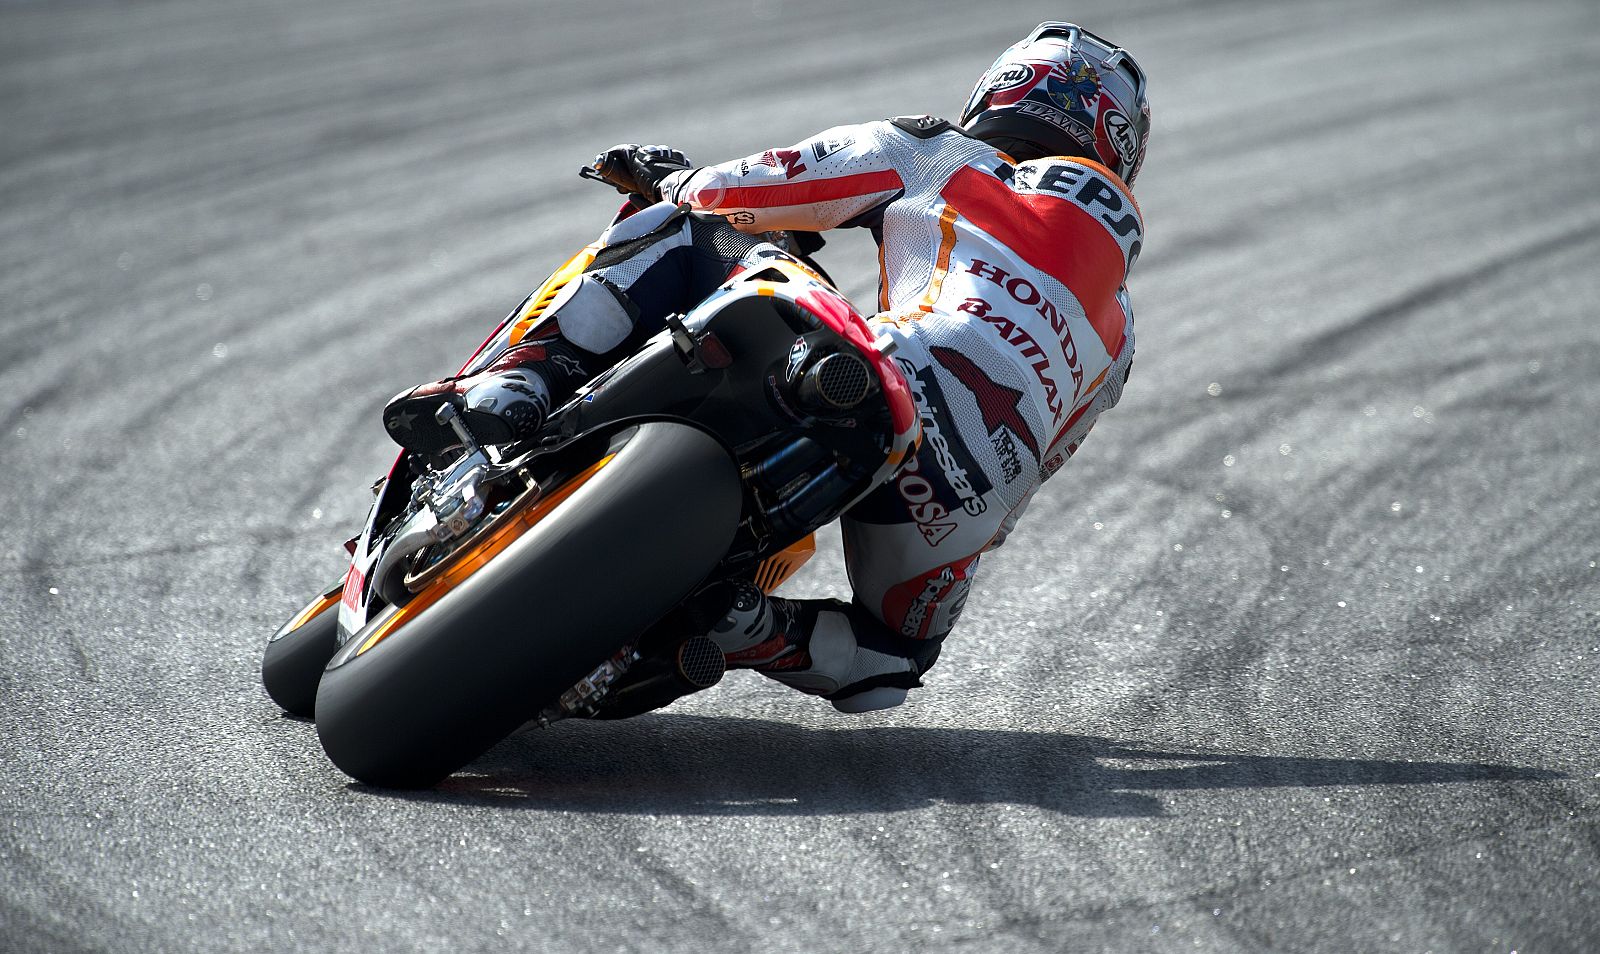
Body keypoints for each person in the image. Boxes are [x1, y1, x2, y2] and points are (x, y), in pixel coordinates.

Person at [383, 22, 1150, 714]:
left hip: (877, 370)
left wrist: (670, 178)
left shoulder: (945, 153)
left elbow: (743, 192)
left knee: (684, 228)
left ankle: (515, 383)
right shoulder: (1120, 334)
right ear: (1117, 146)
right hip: (956, 501)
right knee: (895, 658)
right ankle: (745, 625)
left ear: (1002, 90)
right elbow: (1042, 465)